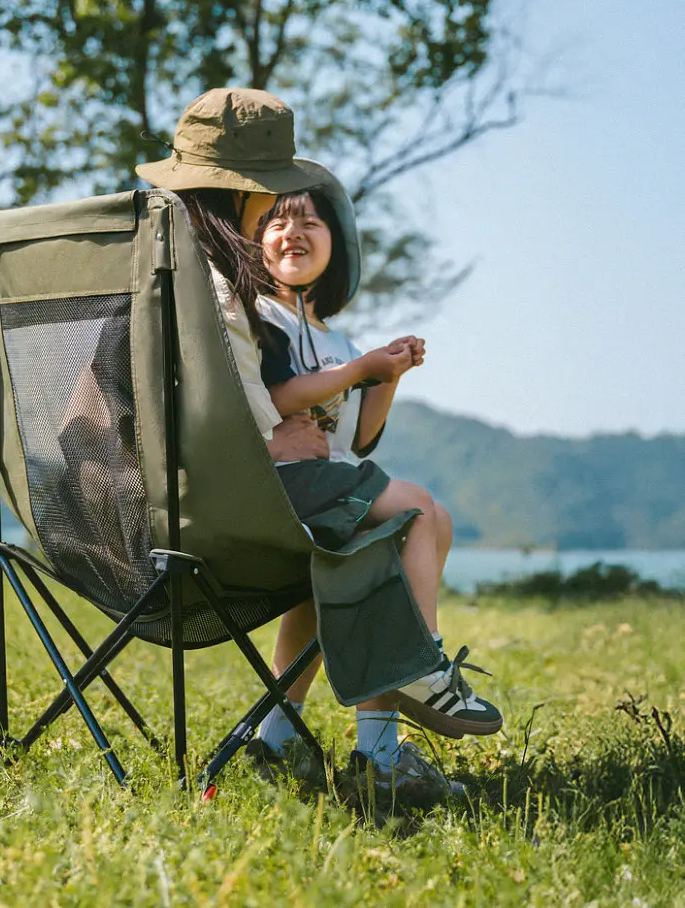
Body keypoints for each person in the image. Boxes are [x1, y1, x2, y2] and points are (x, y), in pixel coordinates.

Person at [136, 88, 500, 805]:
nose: (280, 220)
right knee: (417, 515)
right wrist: (282, 433)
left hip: (176, 511)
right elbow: (256, 415)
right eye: (269, 205)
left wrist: (374, 376)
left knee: (352, 540)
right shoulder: (222, 298)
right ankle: (401, 709)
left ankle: (281, 740)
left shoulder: (177, 284)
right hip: (242, 506)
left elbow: (334, 427)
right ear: (240, 202)